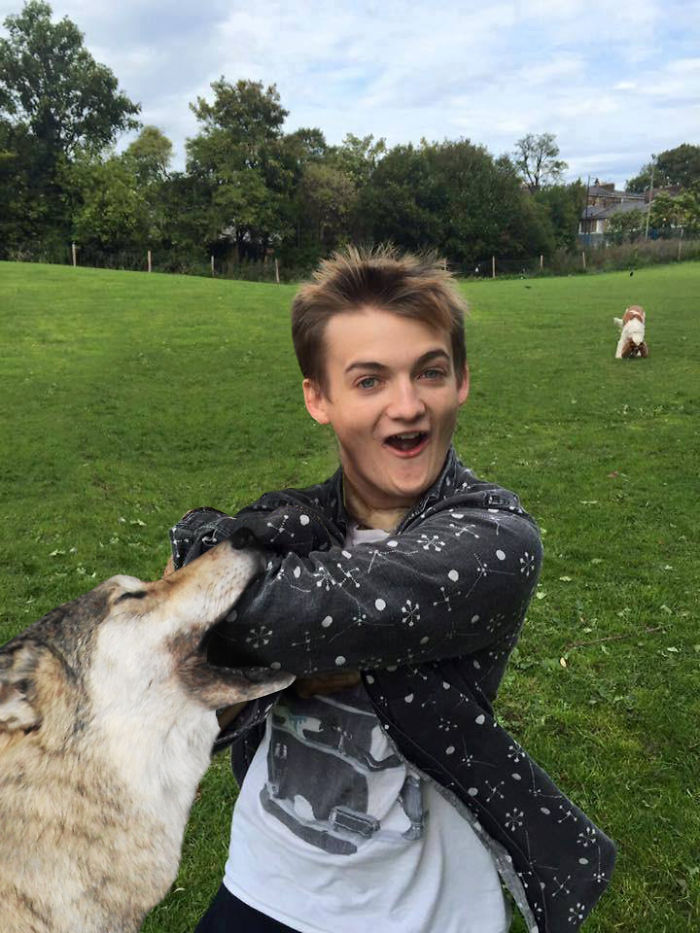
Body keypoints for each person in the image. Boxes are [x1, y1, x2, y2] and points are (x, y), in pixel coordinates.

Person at [169, 247, 615, 933]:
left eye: (429, 372)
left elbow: (255, 605)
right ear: (319, 398)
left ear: (461, 380)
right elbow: (194, 624)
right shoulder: (294, 519)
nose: (407, 407)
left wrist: (262, 642)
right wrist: (277, 651)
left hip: (423, 908)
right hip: (263, 879)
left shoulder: (494, 539)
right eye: (370, 380)